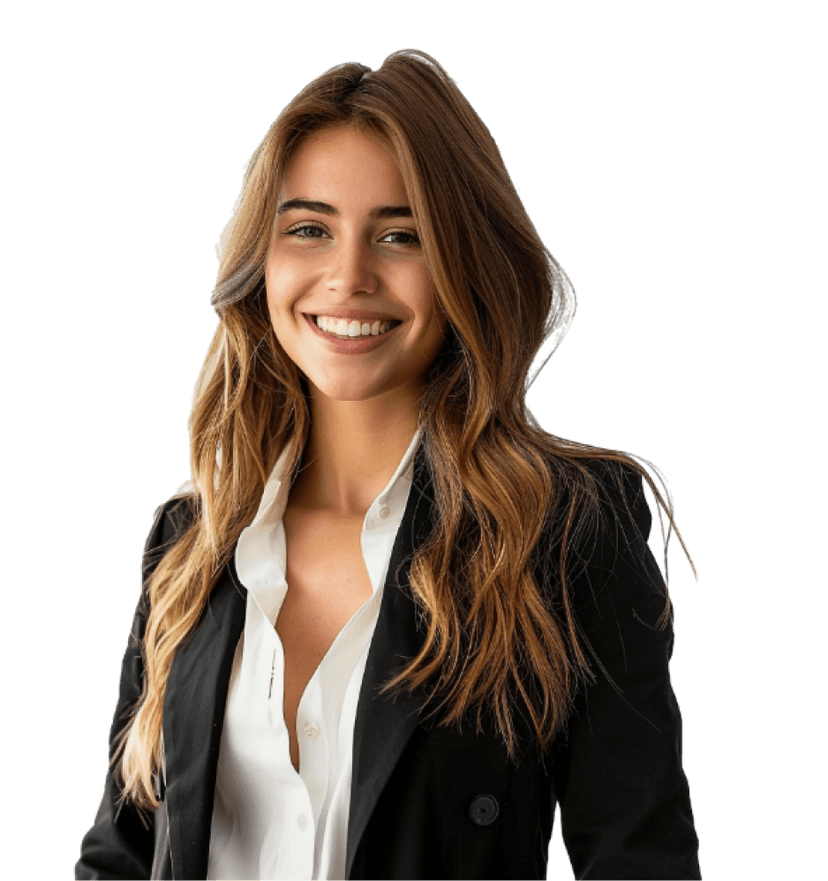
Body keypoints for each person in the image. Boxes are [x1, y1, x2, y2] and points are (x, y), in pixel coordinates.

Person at [74, 48, 702, 881]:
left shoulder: (561, 532)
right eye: (309, 228)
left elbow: (640, 861)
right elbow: (120, 855)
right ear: (261, 260)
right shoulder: (191, 538)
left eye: (401, 235)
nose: (349, 277)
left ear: (464, 262)